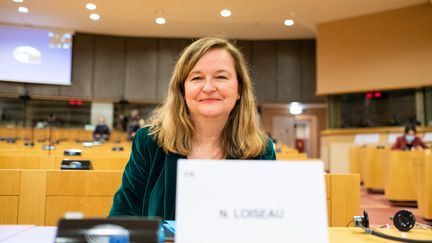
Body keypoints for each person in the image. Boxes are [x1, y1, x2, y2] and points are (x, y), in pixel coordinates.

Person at [109, 37, 276, 220]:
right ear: (182, 91)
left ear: (239, 90)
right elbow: (122, 218)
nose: (208, 87)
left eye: (221, 77)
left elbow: (268, 227)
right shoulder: (148, 142)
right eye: (197, 78)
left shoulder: (261, 150)